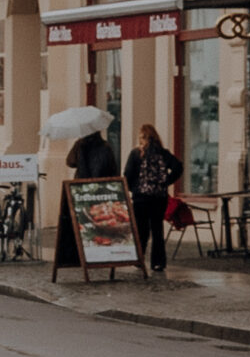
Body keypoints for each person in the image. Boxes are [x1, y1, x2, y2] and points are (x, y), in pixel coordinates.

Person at [56, 112, 115, 270]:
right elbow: (112, 169)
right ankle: (100, 253)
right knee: (99, 223)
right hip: (101, 190)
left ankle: (80, 254)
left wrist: (78, 147)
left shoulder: (81, 145)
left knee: (81, 223)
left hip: (80, 190)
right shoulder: (105, 147)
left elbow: (70, 162)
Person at [125, 122, 183, 273]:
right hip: (159, 197)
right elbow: (178, 167)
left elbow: (127, 175)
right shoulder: (163, 153)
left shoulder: (136, 154)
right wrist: (166, 182)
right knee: (157, 229)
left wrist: (134, 189)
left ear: (142, 138)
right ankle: (158, 262)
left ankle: (139, 258)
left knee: (141, 229)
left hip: (141, 198)